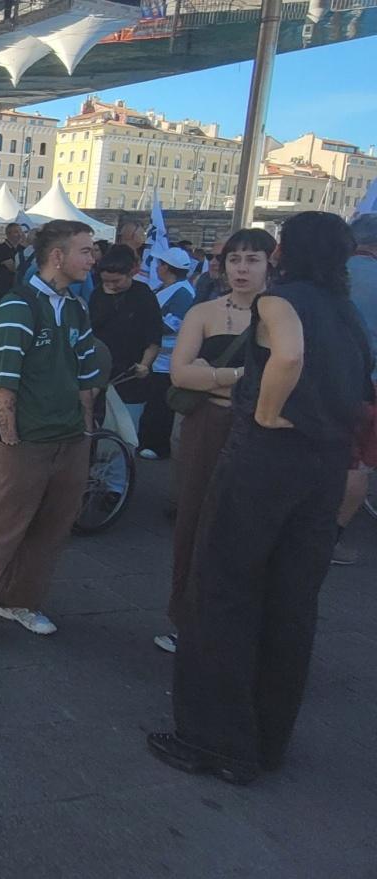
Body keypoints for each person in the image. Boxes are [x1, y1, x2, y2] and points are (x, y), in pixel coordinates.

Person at [149, 212, 372, 785]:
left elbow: (289, 356)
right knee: (292, 602)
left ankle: (214, 740)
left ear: (284, 254)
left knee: (222, 590)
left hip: (267, 460)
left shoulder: (281, 301)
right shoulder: (345, 311)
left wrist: (269, 410)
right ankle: (267, 738)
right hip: (323, 467)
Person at [0, 220, 100, 653]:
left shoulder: (75, 306)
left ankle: (19, 602)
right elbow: (2, 381)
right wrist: (8, 437)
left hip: (68, 439)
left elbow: (85, 374)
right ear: (58, 257)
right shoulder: (19, 305)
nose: (93, 258)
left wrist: (85, 430)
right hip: (24, 441)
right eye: (85, 250)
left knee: (50, 530)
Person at [153, 228, 275, 655]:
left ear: (268, 264)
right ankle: (185, 618)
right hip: (207, 424)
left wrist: (213, 376)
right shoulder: (203, 312)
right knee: (194, 520)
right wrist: (238, 377)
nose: (241, 268)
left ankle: (236, 623)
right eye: (234, 259)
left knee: (247, 526)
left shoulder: (283, 315)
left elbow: (285, 381)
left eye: (252, 259)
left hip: (260, 430)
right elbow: (181, 374)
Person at [329, 213, 377, 566]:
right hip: (370, 385)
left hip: (325, 379)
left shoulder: (332, 274)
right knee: (357, 464)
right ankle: (331, 538)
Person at [88, 244, 164, 429]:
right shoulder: (97, 294)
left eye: (117, 281)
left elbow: (154, 336)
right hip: (99, 371)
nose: (111, 286)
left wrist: (145, 364)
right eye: (107, 281)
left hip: (131, 372)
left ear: (131, 273)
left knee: (126, 426)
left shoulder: (143, 295)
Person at [137, 246, 195, 459]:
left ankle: (158, 445)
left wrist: (143, 325)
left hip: (167, 361)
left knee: (160, 405)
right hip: (157, 358)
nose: (157, 267)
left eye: (160, 264)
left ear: (166, 268)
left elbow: (171, 325)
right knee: (152, 403)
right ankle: (146, 440)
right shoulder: (166, 287)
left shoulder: (183, 294)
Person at [0, 222, 27, 310]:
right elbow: (14, 268)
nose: (20, 234)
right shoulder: (3, 249)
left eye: (20, 231)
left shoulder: (21, 249)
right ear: (9, 234)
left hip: (16, 288)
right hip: (3, 288)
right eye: (17, 231)